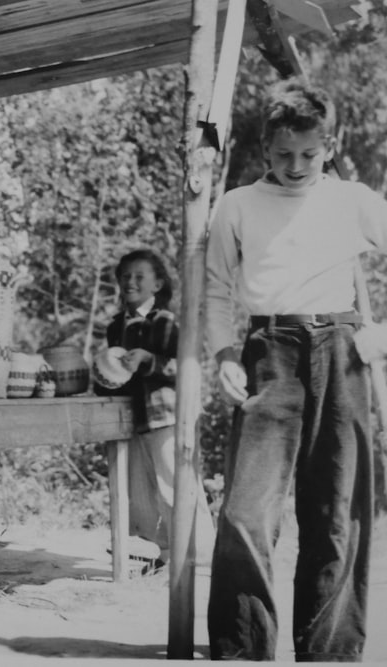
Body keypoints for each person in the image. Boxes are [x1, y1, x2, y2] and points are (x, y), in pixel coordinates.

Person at [204, 78, 387, 661]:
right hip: (269, 351)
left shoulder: (352, 200)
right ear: (265, 148)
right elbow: (213, 289)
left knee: (336, 512)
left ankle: (329, 654)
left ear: (328, 145)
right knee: (245, 512)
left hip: (343, 350)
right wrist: (224, 352)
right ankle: (243, 651)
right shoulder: (236, 205)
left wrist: (380, 338)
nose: (296, 165)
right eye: (283, 154)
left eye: (309, 153)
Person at [93, 249, 214, 572]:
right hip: (134, 420)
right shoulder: (116, 325)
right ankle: (167, 556)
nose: (130, 282)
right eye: (125, 276)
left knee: (177, 485)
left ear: (157, 283)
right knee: (145, 495)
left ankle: (199, 559)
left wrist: (149, 361)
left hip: (167, 417)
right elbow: (119, 376)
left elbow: (186, 368)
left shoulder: (167, 322)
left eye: (139, 276)